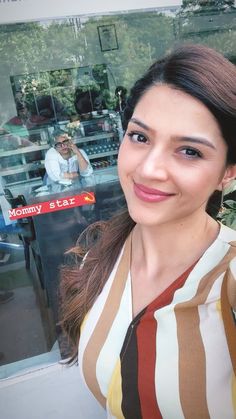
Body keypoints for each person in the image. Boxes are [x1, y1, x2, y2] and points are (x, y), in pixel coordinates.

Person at [60, 44, 236, 418]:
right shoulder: (101, 254)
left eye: (189, 151)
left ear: (228, 171)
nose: (149, 169)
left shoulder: (228, 278)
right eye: (140, 137)